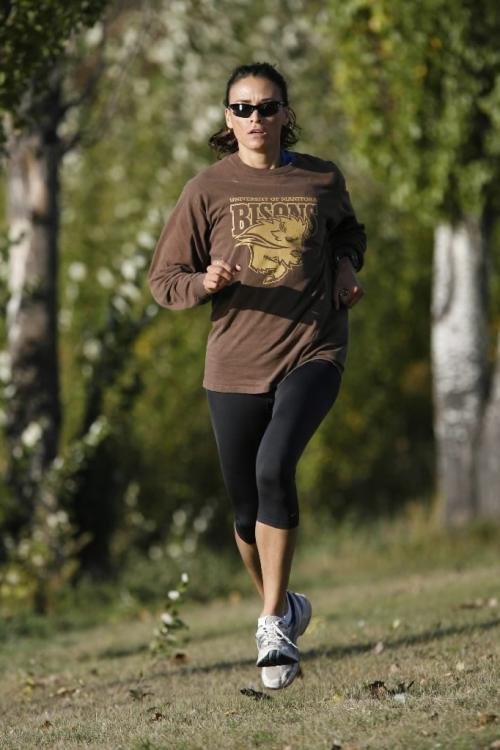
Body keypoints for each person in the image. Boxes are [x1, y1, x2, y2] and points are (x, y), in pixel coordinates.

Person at [148, 62, 366, 690]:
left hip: (313, 349)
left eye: (267, 107)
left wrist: (346, 268)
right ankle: (285, 603)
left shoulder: (320, 177)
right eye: (242, 108)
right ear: (227, 117)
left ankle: (272, 625)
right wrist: (203, 282)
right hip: (234, 365)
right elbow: (165, 279)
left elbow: (348, 231)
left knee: (275, 470)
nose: (255, 119)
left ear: (285, 114)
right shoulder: (206, 189)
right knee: (246, 513)